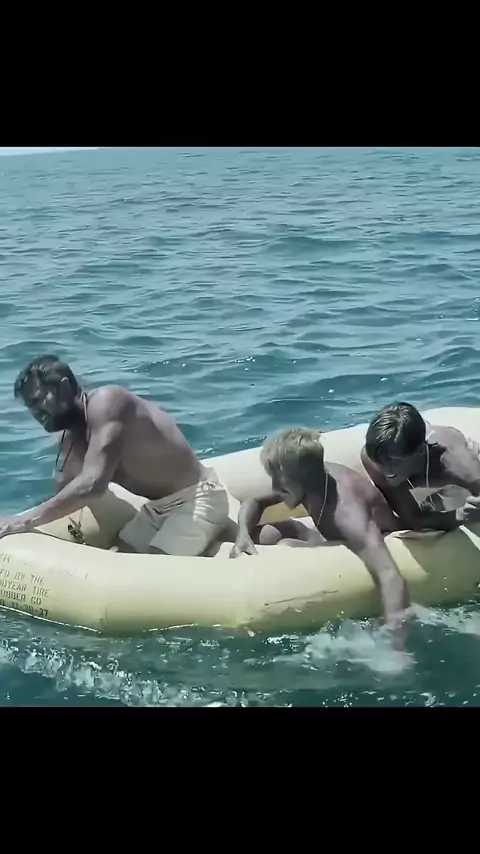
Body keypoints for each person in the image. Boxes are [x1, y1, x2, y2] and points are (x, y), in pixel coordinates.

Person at [0, 355, 229, 555]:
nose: (35, 412)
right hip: (156, 509)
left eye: (38, 400)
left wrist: (23, 521)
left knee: (146, 575)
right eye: (29, 406)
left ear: (64, 387)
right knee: (117, 555)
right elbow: (65, 490)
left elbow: (93, 485)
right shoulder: (74, 438)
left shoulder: (107, 402)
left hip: (198, 499)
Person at [229, 427, 409, 635]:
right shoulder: (310, 479)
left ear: (303, 480)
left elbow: (390, 575)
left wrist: (394, 642)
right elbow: (254, 501)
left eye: (281, 481)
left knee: (285, 547)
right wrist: (242, 534)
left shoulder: (347, 513)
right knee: (263, 534)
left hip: (374, 544)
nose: (275, 486)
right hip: (333, 538)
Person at [361, 402, 480, 532]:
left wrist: (464, 513)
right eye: (378, 459)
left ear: (421, 451)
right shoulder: (374, 458)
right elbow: (414, 520)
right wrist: (458, 516)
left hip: (449, 473)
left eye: (393, 460)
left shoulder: (456, 464)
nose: (384, 468)